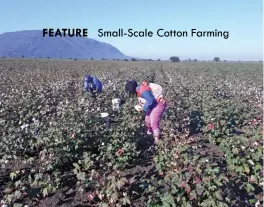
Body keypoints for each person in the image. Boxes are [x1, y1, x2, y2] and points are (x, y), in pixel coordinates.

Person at [125, 80, 166, 144]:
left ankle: (157, 140)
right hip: (152, 104)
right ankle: (150, 133)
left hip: (158, 104)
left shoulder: (142, 90)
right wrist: (140, 105)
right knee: (147, 120)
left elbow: (150, 100)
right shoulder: (138, 90)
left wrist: (143, 108)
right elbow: (146, 100)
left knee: (153, 122)